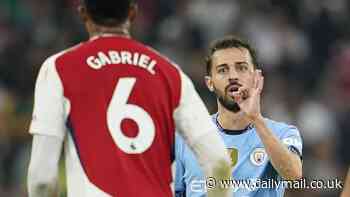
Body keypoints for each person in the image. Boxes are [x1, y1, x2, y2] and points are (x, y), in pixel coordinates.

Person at [27, 0, 232, 196]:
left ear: (83, 13)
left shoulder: (60, 68)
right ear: (133, 13)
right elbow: (219, 162)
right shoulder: (170, 73)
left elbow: (42, 179)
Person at [175, 36, 303, 197]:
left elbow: (294, 177)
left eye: (241, 68)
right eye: (223, 70)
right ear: (209, 83)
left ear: (256, 77)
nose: (233, 76)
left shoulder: (283, 133)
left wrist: (256, 118)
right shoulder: (185, 138)